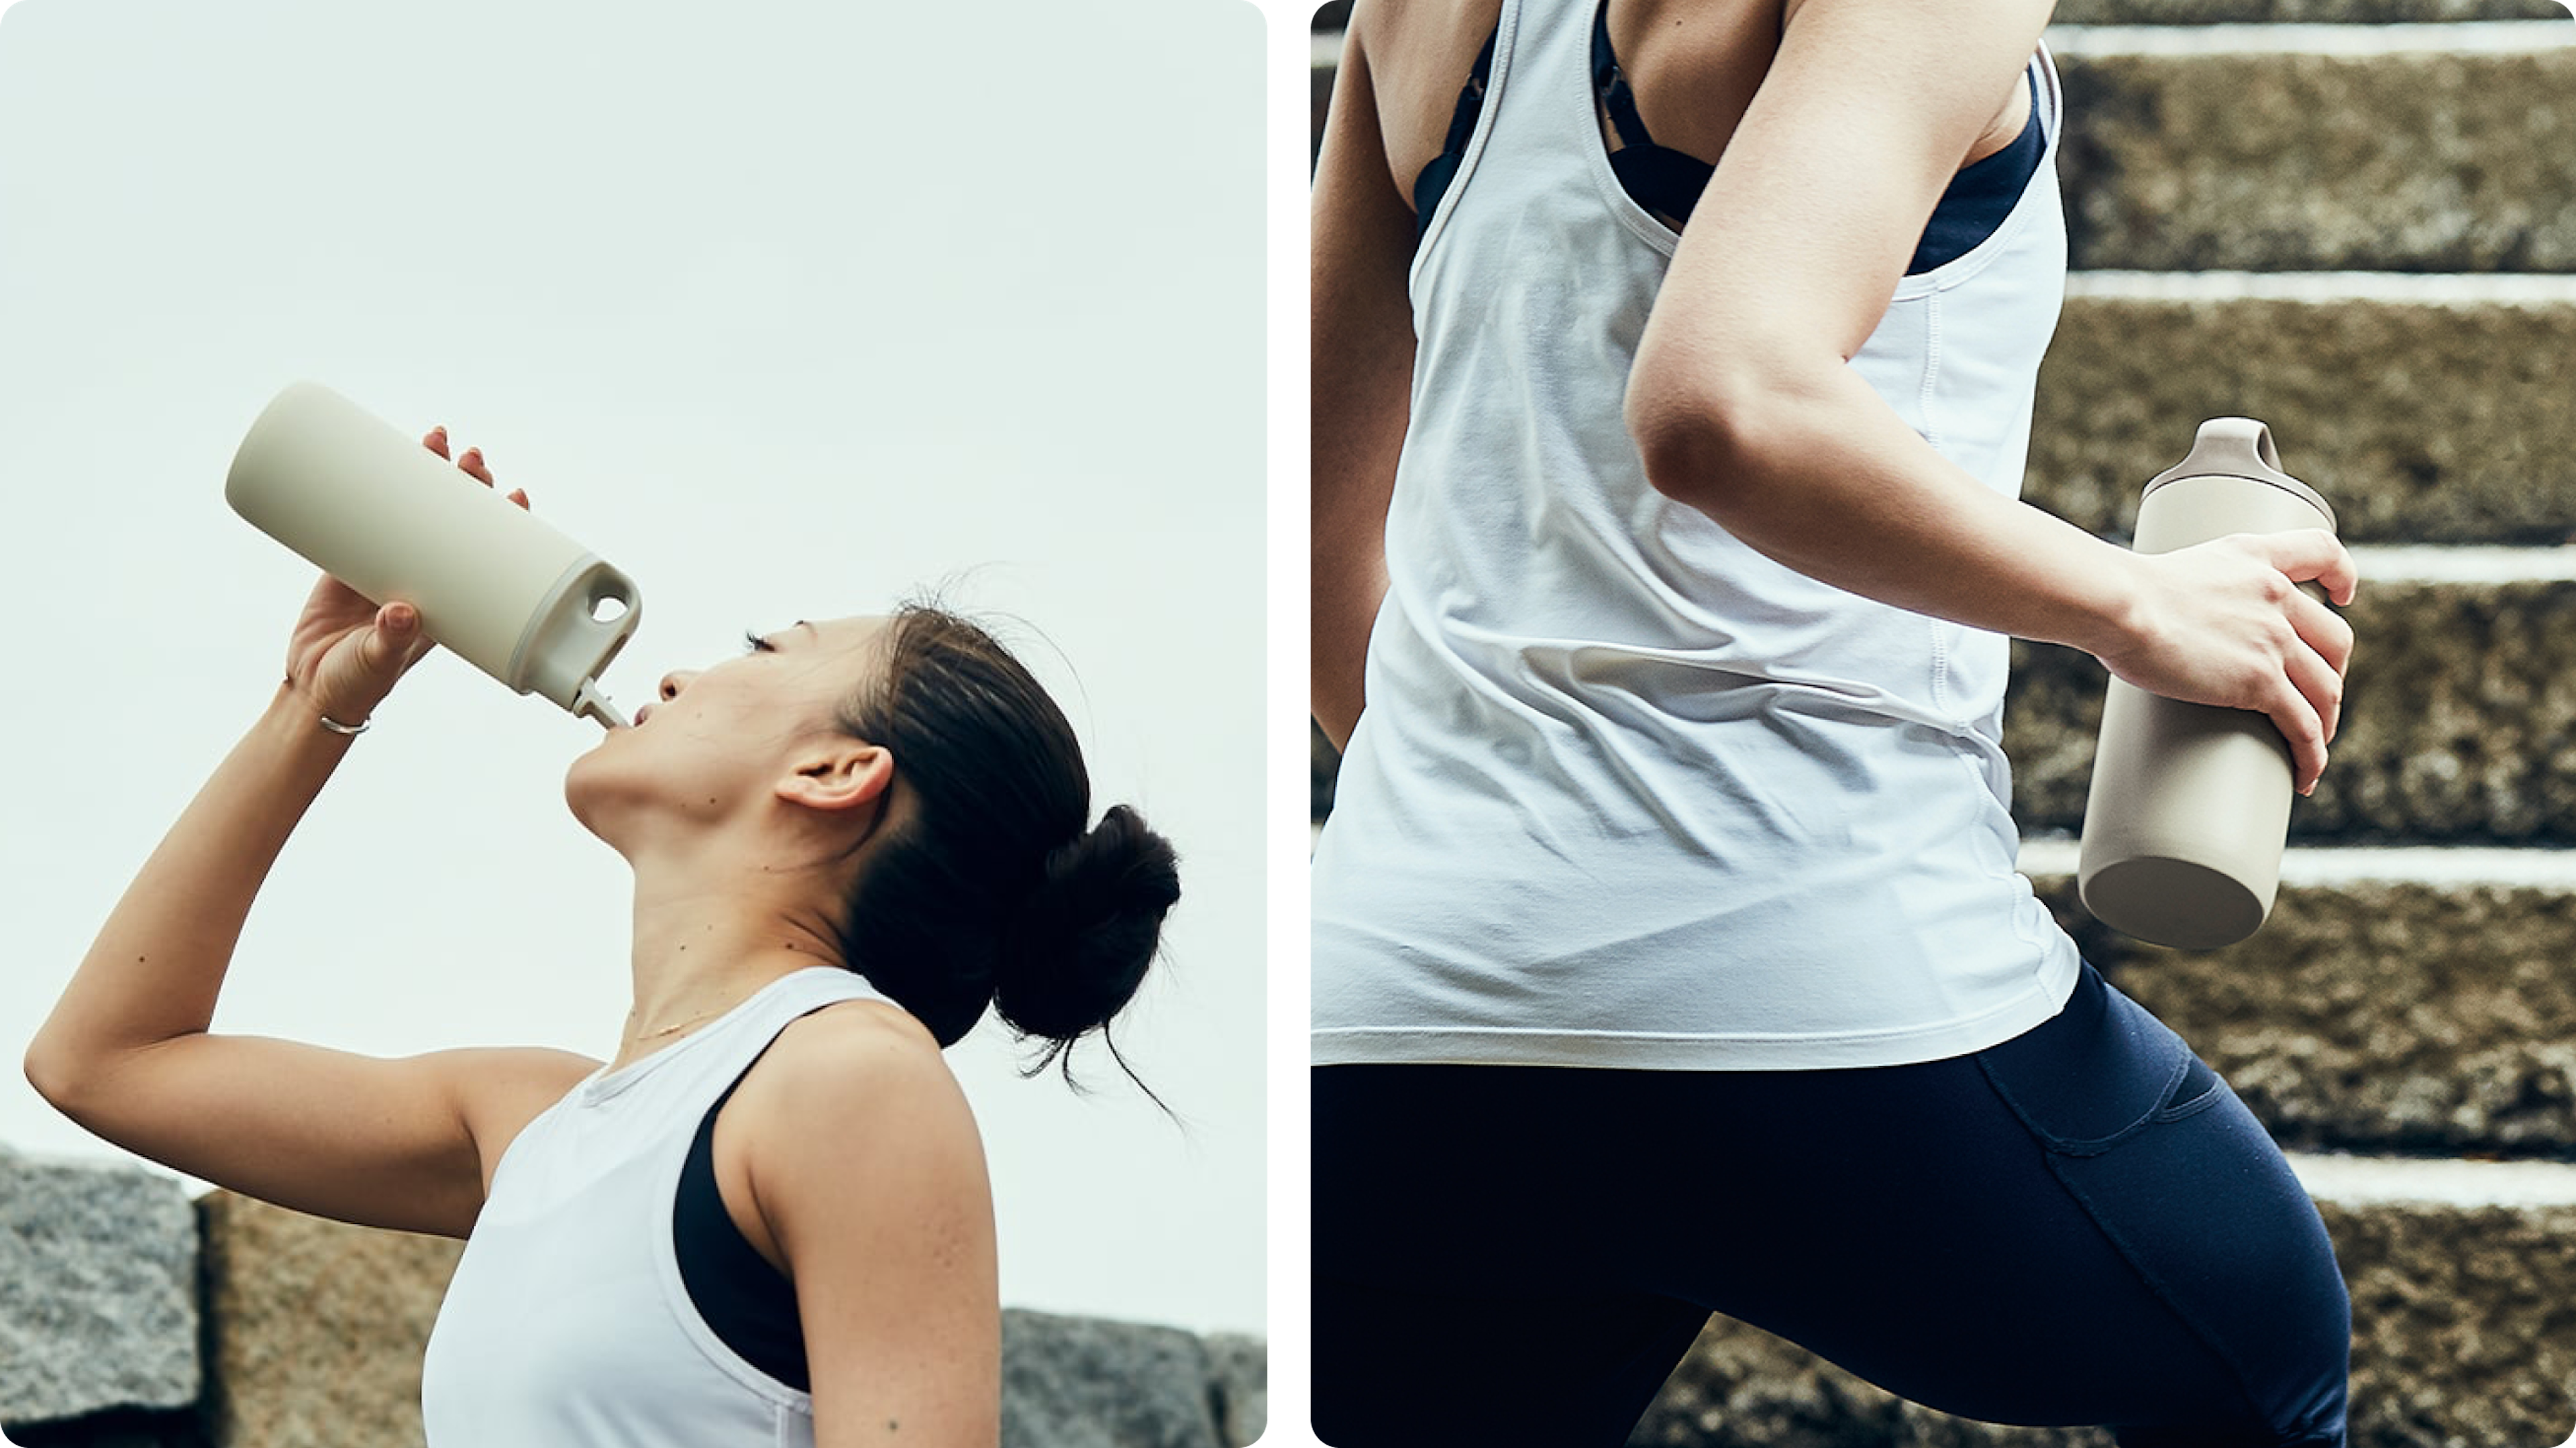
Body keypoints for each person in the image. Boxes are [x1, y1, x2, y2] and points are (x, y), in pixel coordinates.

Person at [1309, 0, 2357, 1443]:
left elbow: (1314, 544)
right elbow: (1722, 401)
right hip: (1826, 968)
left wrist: (1518, 864)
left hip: (1395, 1006)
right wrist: (2135, 603)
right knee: (2265, 1341)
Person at [24, 427, 1181, 1447]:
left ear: (834, 772)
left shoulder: (851, 1079)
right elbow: (104, 1064)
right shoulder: (536, 1124)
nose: (679, 669)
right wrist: (315, 700)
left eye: (764, 647)